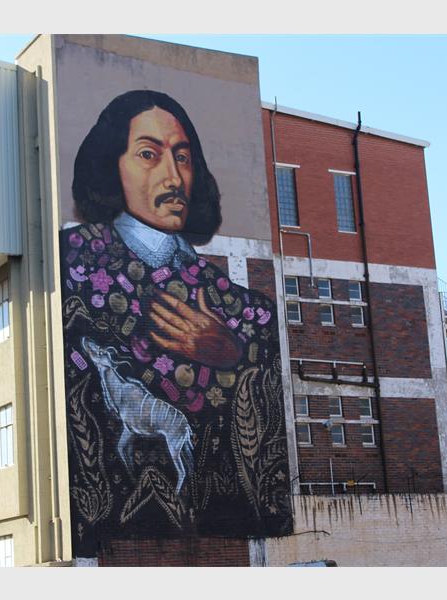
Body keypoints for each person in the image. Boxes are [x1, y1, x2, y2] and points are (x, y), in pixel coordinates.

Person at [60, 90, 290, 556]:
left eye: (183, 158)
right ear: (111, 165)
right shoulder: (72, 263)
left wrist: (234, 353)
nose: (173, 177)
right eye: (149, 154)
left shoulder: (239, 305)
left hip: (218, 536)